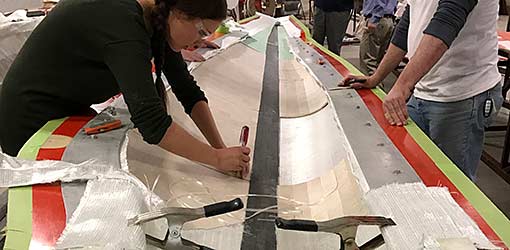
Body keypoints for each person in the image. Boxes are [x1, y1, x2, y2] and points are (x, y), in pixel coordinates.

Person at [0, 0, 251, 177]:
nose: (199, 41)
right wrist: (216, 159)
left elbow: (187, 90)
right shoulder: (123, 24)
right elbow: (151, 122)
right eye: (200, 31)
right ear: (179, 12)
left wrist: (220, 149)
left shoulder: (158, 19)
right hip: (29, 121)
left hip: (63, 111)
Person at [342, 0, 503, 181]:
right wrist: (376, 77)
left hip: (461, 95)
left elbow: (447, 20)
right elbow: (408, 23)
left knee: (451, 185)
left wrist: (402, 86)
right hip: (423, 89)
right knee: (412, 169)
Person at [359, 0, 397, 75]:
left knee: (368, 61)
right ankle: (378, 84)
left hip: (377, 19)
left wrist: (374, 19)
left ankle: (371, 85)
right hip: (388, 19)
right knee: (378, 60)